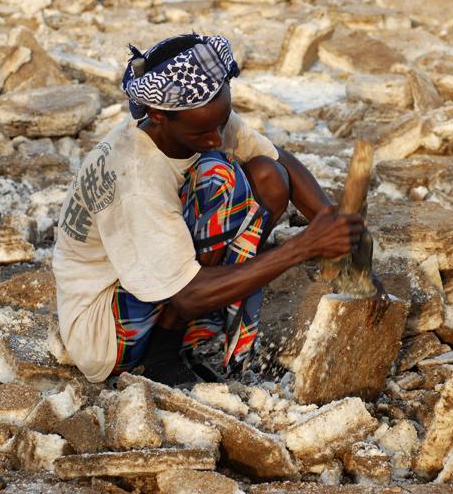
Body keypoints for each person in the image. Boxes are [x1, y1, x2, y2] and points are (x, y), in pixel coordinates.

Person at [52, 32, 387, 388]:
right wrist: (304, 246)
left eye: (220, 123)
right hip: (104, 333)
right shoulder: (137, 177)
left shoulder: (200, 120)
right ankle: (159, 357)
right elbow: (188, 293)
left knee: (266, 176)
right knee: (219, 175)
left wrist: (342, 240)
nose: (214, 138)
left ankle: (174, 340)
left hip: (150, 290)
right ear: (157, 114)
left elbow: (279, 161)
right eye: (201, 133)